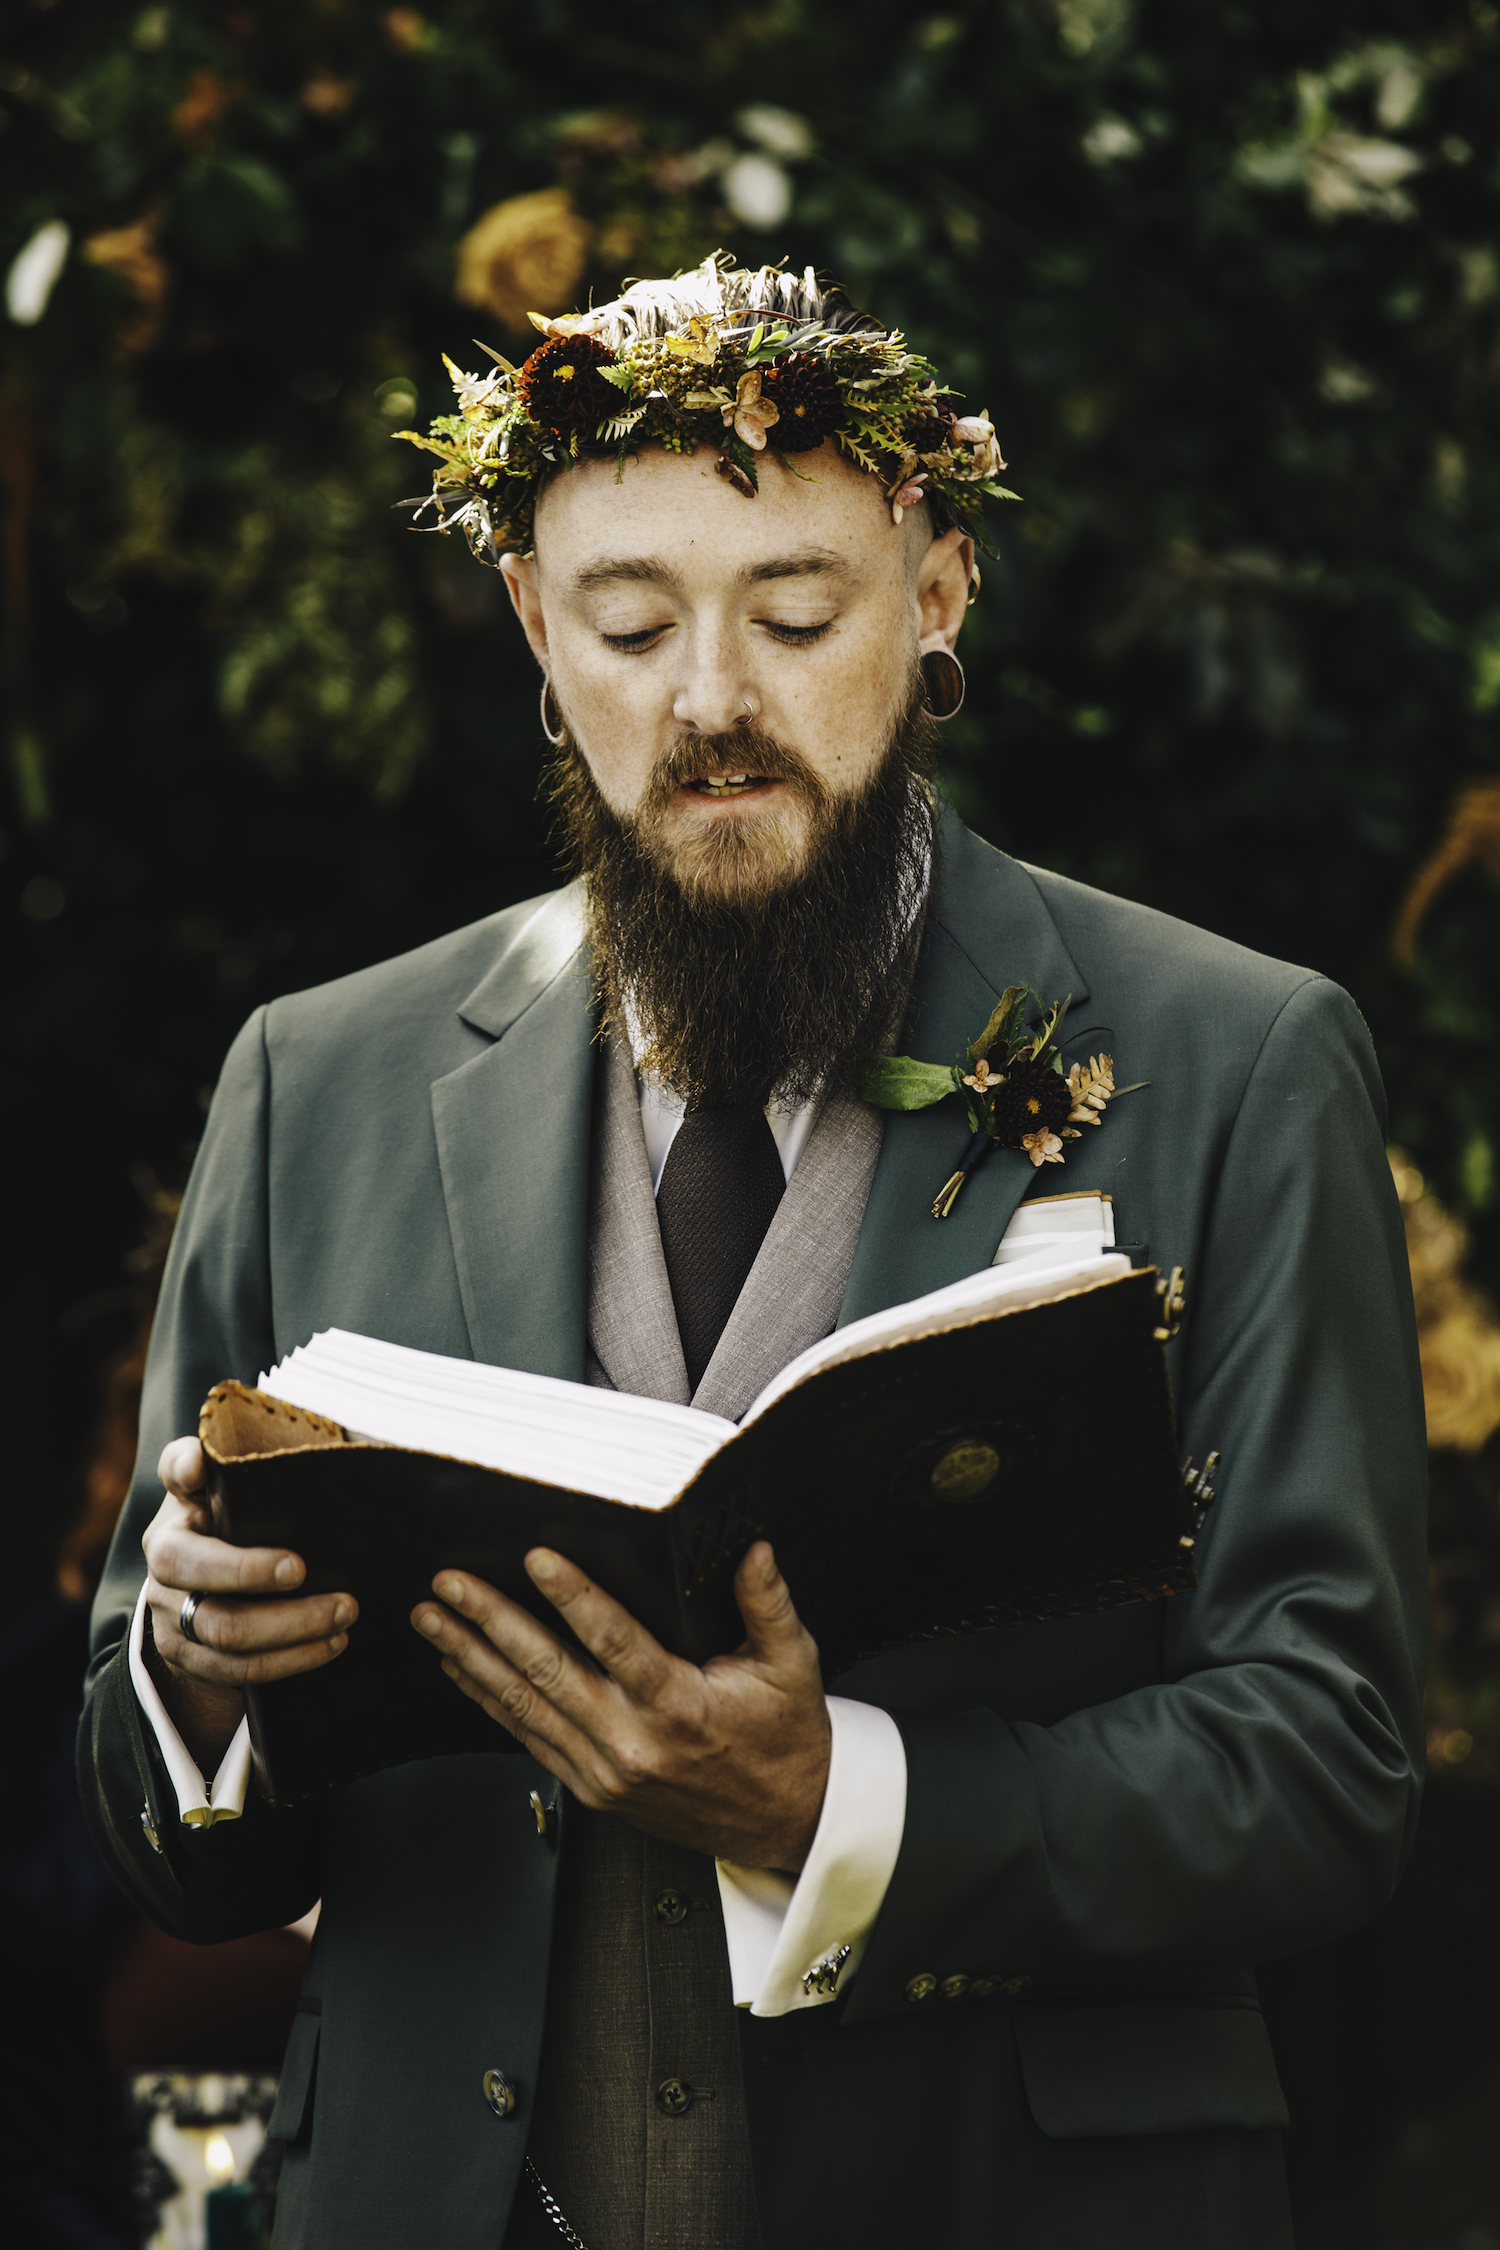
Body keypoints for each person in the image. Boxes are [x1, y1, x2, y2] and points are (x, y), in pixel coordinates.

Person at [78, 258, 1427, 2250]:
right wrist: (197, 1672)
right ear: (537, 628)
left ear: (937, 590)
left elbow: (1328, 1754)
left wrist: (838, 1807)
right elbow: (146, 1799)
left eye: (793, 614)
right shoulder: (314, 1078)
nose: (711, 700)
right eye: (629, 624)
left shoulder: (1241, 1058)